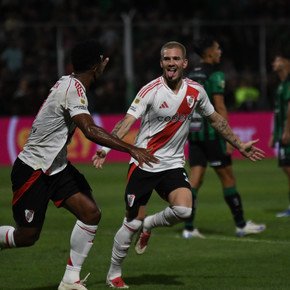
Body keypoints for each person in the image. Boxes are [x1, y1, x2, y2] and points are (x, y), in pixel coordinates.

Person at [92, 41, 265, 288]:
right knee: (131, 223)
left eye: (175, 59)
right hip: (143, 163)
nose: (171, 63)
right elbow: (127, 121)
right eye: (166, 59)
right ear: (161, 63)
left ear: (184, 63)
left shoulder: (196, 91)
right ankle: (114, 273)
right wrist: (105, 148)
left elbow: (215, 120)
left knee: (184, 210)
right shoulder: (149, 90)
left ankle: (150, 224)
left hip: (172, 165)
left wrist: (239, 144)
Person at [0, 39, 158, 290]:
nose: (106, 64)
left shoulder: (72, 83)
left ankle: (70, 280)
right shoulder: (72, 89)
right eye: (103, 60)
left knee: (90, 213)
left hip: (56, 167)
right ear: (98, 65)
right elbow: (90, 130)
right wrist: (131, 148)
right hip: (34, 169)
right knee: (27, 236)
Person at [182, 36, 266, 239]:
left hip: (194, 134)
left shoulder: (191, 74)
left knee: (195, 179)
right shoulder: (216, 74)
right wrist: (230, 139)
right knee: (228, 177)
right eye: (217, 48)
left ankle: (189, 228)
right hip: (213, 135)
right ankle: (241, 225)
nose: (220, 51)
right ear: (209, 52)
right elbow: (219, 107)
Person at [270, 46, 290, 217]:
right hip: (282, 132)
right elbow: (279, 111)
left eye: (276, 60)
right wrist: (273, 134)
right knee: (286, 167)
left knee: (288, 168)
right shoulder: (281, 85)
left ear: (285, 62)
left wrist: (286, 131)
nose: (273, 63)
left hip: (288, 133)